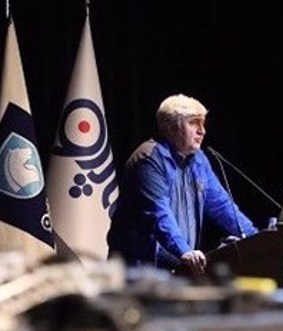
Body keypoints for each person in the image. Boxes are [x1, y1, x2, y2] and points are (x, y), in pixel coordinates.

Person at [107, 94, 258, 275]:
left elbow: (222, 206)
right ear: (172, 128)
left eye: (203, 123)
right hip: (139, 270)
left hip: (174, 268)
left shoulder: (199, 160)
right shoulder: (149, 160)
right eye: (194, 123)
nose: (202, 131)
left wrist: (256, 238)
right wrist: (184, 250)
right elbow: (158, 213)